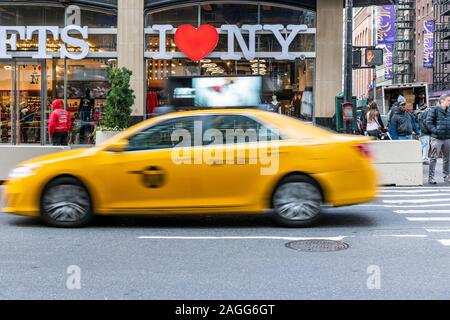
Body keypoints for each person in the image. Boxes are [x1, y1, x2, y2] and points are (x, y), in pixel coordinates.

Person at [426, 94, 450, 184]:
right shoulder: (434, 110)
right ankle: (431, 178)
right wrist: (436, 131)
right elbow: (428, 122)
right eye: (448, 100)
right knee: (434, 158)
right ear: (442, 101)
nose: (449, 102)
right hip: (437, 138)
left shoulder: (449, 110)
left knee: (447, 158)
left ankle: (446, 176)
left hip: (447, 137)